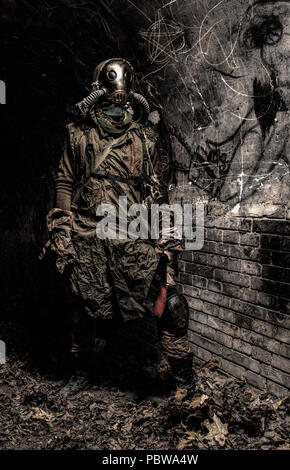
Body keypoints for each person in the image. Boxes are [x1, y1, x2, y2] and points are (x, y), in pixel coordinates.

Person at [42, 58, 195, 397]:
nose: (117, 99)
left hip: (133, 233)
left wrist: (166, 237)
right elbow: (65, 182)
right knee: (83, 307)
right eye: (109, 89)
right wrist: (61, 229)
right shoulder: (78, 136)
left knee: (168, 303)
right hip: (88, 233)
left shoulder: (143, 138)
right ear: (97, 90)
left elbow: (156, 191)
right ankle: (83, 372)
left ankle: (185, 382)